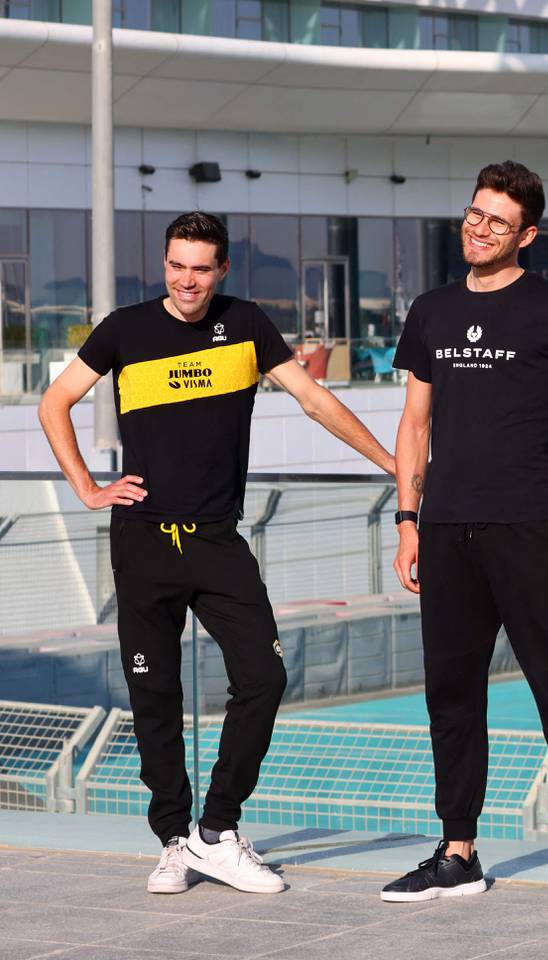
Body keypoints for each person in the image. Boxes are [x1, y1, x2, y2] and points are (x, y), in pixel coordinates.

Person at [37, 212, 395, 896]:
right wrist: (86, 486)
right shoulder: (125, 329)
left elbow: (316, 401)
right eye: (177, 265)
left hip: (216, 541)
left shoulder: (248, 324)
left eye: (201, 267)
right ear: (163, 265)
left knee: (263, 677)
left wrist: (394, 466)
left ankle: (216, 832)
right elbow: (55, 403)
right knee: (154, 696)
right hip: (142, 542)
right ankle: (174, 840)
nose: (187, 279)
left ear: (222, 269)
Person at [382, 161, 548, 910]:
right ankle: (458, 851)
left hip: (529, 526)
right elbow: (415, 423)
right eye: (474, 215)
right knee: (451, 696)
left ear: (528, 236)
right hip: (446, 527)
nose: (480, 230)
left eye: (498, 223)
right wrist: (407, 519)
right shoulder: (432, 310)